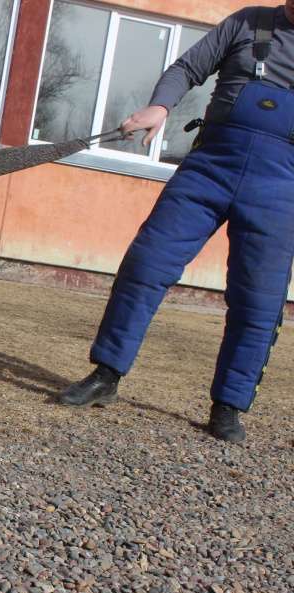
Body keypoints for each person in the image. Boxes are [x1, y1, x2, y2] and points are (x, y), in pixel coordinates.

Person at [59, 3, 294, 443]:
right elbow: (186, 68)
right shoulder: (249, 22)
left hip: (281, 190)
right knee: (145, 265)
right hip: (208, 170)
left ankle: (228, 405)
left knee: (258, 303)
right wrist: (160, 106)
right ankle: (106, 375)